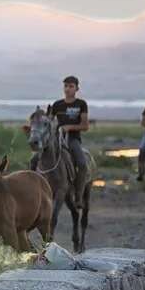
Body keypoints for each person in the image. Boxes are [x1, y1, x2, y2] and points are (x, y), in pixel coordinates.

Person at [50, 76, 90, 207]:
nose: (68, 89)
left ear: (77, 88)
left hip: (73, 139)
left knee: (82, 164)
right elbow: (48, 122)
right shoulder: (57, 105)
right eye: (66, 86)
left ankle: (78, 196)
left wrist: (69, 127)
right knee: (35, 159)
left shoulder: (81, 104)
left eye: (71, 86)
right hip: (57, 140)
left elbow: (85, 126)